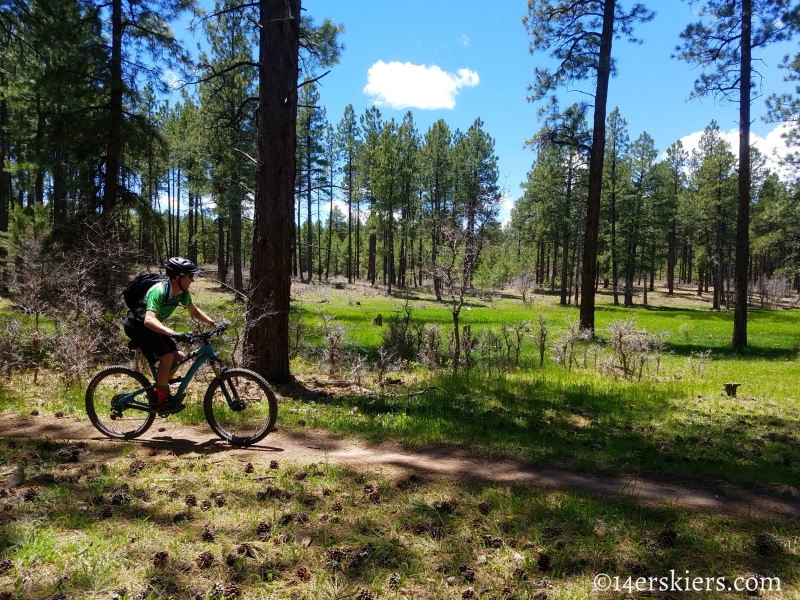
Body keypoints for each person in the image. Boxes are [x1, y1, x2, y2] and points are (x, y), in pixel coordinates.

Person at [124, 257, 216, 414]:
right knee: (167, 357)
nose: (193, 280)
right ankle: (161, 400)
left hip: (153, 326)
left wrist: (213, 323)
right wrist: (173, 333)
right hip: (137, 326)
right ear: (178, 278)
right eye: (190, 277)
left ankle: (159, 387)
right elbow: (149, 320)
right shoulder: (158, 291)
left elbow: (193, 310)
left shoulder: (182, 293)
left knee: (179, 356)